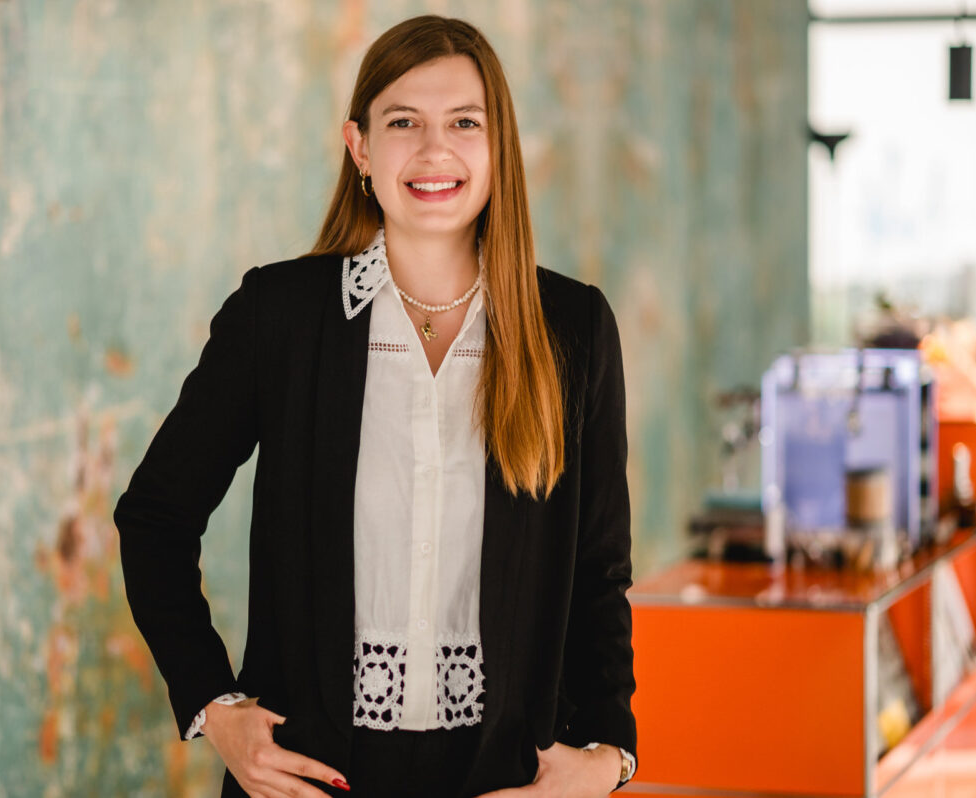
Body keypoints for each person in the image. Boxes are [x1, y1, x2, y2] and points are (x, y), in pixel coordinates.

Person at [113, 14, 636, 798]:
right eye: (403, 123)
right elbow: (154, 517)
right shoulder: (279, 317)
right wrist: (215, 709)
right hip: (312, 780)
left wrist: (608, 760)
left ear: (500, 148)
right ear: (360, 147)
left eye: (465, 122)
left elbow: (601, 574)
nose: (434, 151)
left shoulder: (575, 330)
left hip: (508, 781)